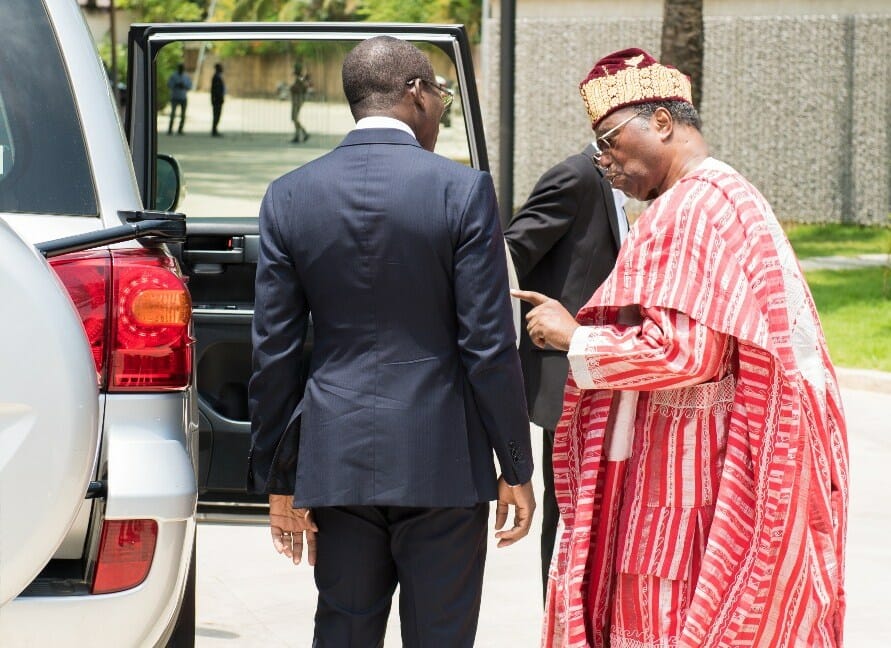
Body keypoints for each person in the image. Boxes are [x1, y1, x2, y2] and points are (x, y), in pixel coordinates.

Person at [514, 48, 848, 647]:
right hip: (708, 469)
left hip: (687, 481)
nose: (604, 160)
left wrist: (574, 337)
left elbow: (686, 354)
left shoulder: (691, 207)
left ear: (663, 122)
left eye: (611, 139)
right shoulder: (726, 194)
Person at [248, 35, 535, 647]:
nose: (440, 109)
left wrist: (279, 477)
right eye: (440, 95)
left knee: (344, 633)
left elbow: (274, 350)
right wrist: (514, 463)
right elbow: (486, 342)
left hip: (336, 456)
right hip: (445, 461)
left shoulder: (289, 195)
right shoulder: (463, 190)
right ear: (416, 93)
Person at [503, 145, 626, 597]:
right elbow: (510, 253)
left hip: (603, 373)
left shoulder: (614, 185)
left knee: (586, 525)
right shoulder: (574, 176)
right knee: (565, 525)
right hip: (566, 376)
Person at [166, 63, 192, 135]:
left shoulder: (186, 76)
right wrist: (176, 85)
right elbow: (169, 84)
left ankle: (180, 129)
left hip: (183, 97)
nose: (181, 70)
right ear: (178, 68)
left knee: (183, 115)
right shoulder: (174, 76)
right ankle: (170, 129)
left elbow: (190, 86)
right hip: (175, 97)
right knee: (173, 114)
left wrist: (184, 86)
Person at [289, 62, 312, 143]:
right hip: (297, 100)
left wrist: (292, 88)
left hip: (297, 101)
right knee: (294, 118)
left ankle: (302, 133)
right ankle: (299, 134)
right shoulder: (299, 79)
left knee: (294, 118)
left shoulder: (299, 79)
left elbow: (301, 88)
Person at [210, 63, 225, 137]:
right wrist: (216, 98)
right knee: (216, 115)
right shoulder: (216, 77)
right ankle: (214, 130)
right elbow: (215, 90)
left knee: (217, 115)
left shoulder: (218, 77)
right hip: (217, 100)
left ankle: (215, 129)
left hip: (217, 99)